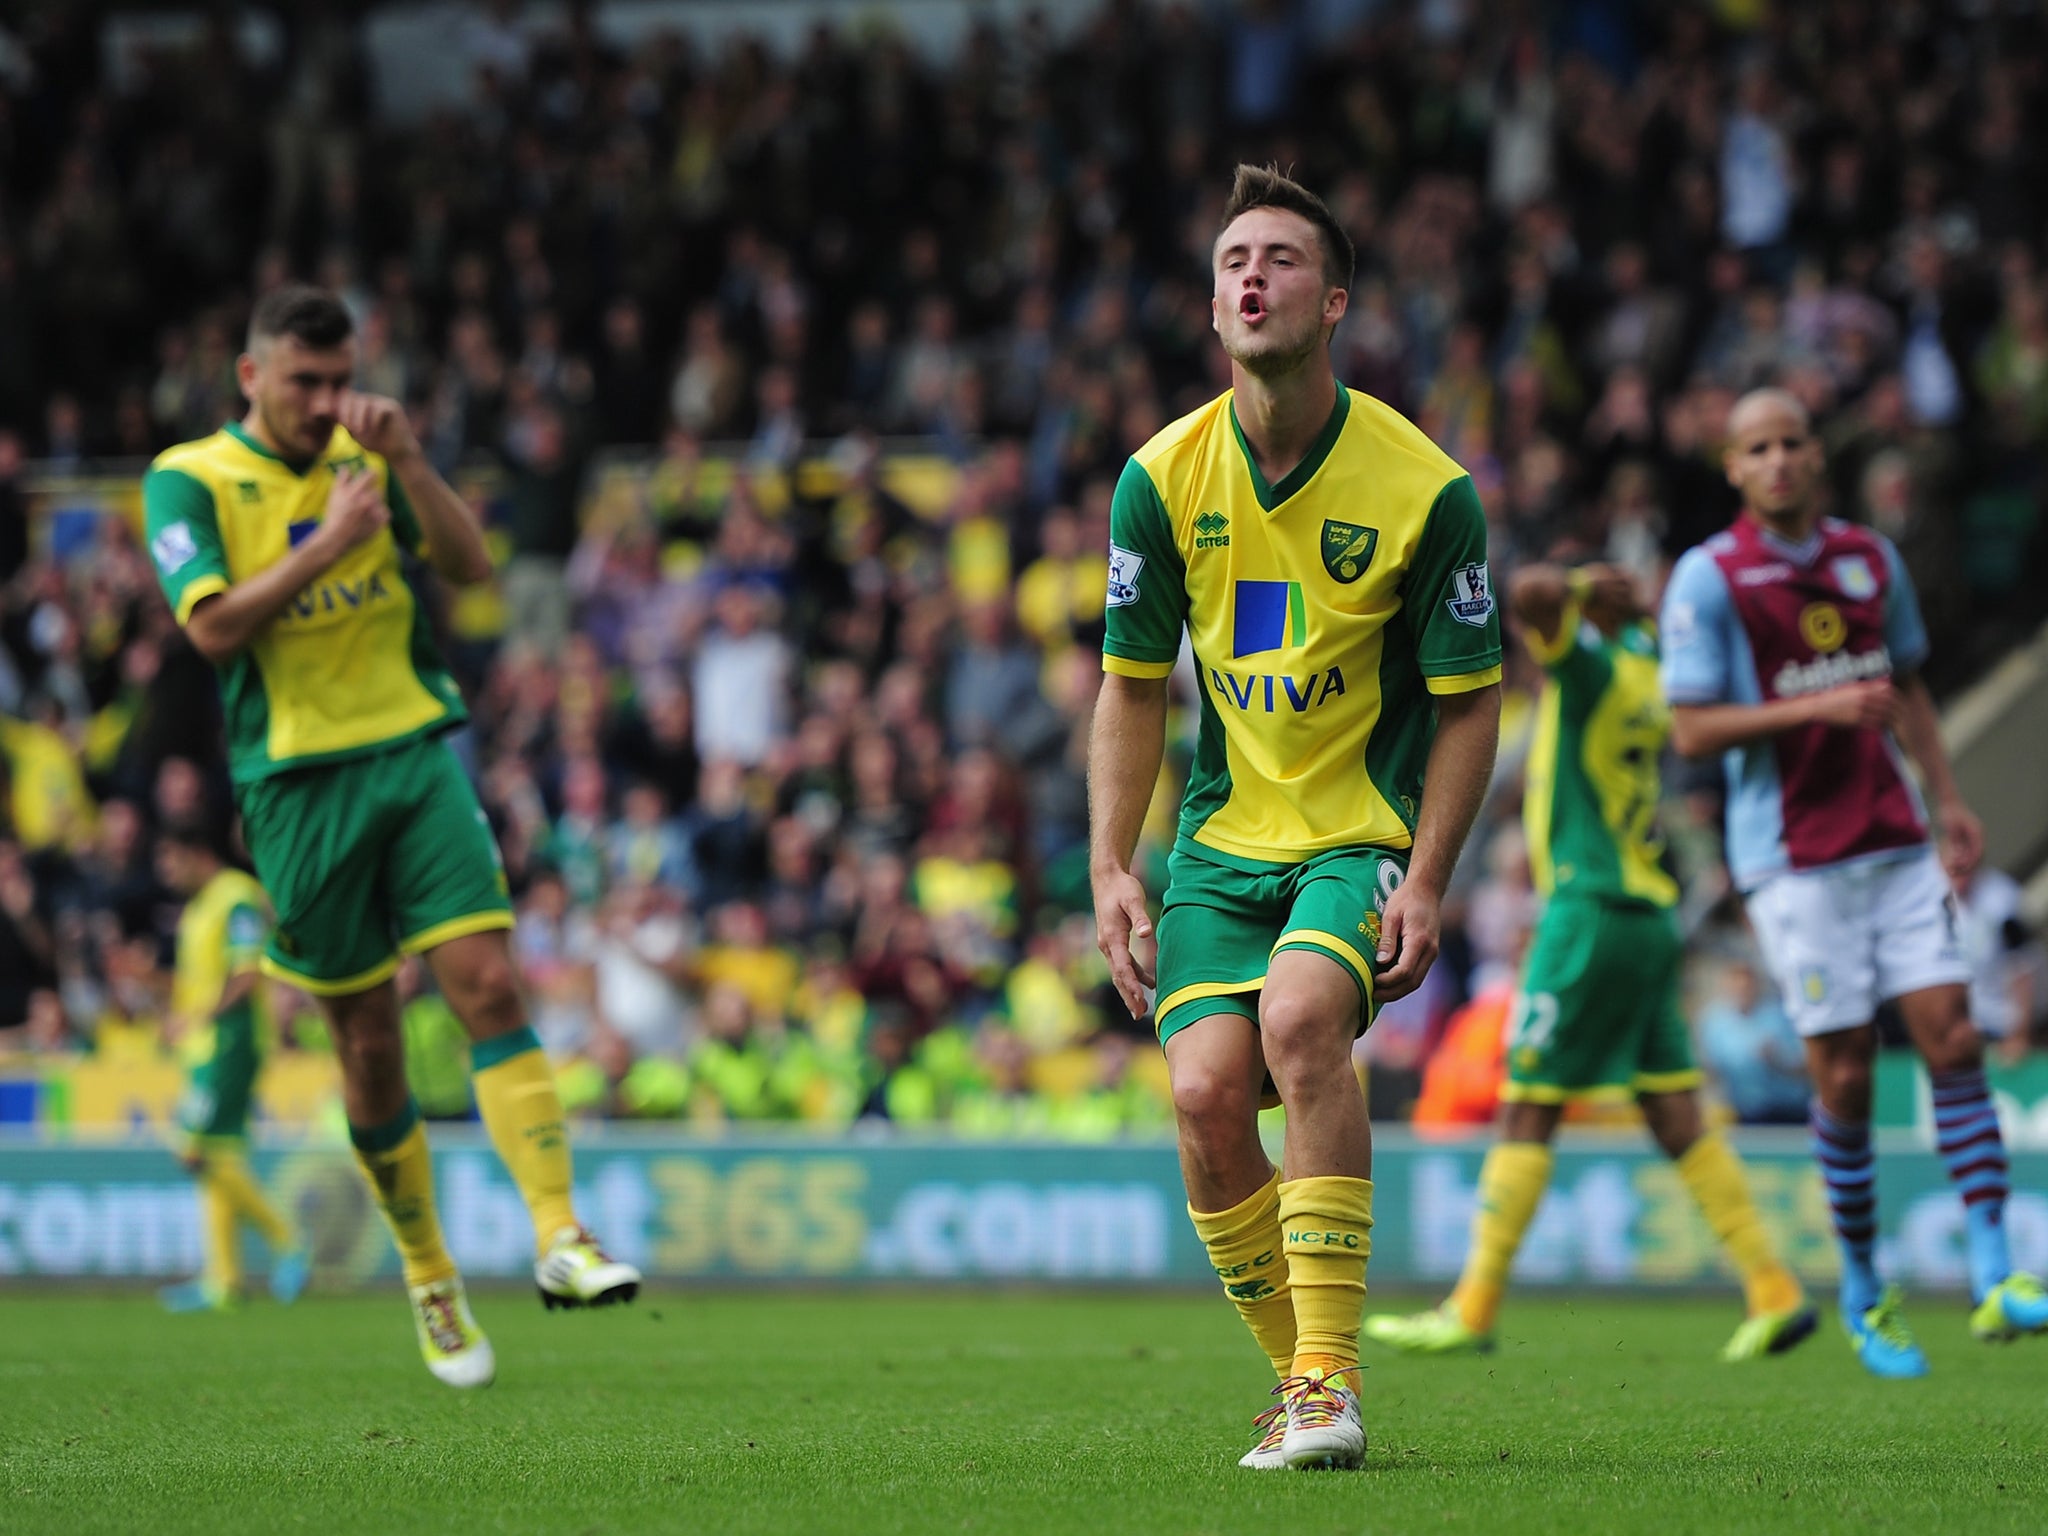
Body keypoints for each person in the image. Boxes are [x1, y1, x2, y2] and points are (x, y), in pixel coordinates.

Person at [142, 286, 638, 1389]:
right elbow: (212, 627)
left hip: (413, 751)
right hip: (295, 784)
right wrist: (331, 546)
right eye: (304, 382)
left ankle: (561, 1236)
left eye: (341, 378)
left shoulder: (369, 460)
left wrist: (409, 464)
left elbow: (469, 568)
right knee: (364, 1043)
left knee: (490, 988)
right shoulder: (190, 479)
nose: (329, 403)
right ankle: (431, 1280)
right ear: (251, 377)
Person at [1089, 166, 1502, 1472]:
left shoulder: (1426, 489)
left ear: (1334, 303)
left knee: (1302, 1019)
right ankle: (1306, 1385)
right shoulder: (1159, 481)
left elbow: (1472, 706)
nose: (1249, 278)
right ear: (1213, 309)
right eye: (1229, 263)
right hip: (1221, 846)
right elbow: (1131, 690)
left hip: (1358, 830)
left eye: (1277, 259)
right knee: (1209, 1098)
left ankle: (1326, 1379)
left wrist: (1429, 878)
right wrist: (1111, 864)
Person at [1658, 387, 2048, 1376]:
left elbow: (1907, 684)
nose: (1779, 458)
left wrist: (1948, 799)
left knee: (1952, 1036)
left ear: (1814, 457)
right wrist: (1814, 711)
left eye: (1792, 442)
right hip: (1791, 861)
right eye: (1758, 447)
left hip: (1894, 839)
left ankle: (1995, 1271)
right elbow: (1690, 728)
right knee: (1842, 1072)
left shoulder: (1868, 559)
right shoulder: (1710, 579)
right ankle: (1866, 1284)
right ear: (1733, 468)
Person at [1364, 560, 1813, 1361]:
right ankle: (1774, 1289)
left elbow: (1529, 591)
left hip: (1588, 909)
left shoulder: (1595, 663)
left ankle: (1472, 1306)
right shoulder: (1647, 666)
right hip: (1647, 913)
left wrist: (1576, 588)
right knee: (1675, 1112)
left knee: (1526, 1105)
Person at [153, 818, 310, 1314]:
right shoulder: (199, 908)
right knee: (217, 1156)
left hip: (231, 1041)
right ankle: (223, 1281)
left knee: (193, 1149)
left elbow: (244, 976)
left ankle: (289, 1241)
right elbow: (202, 981)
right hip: (206, 1045)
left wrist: (195, 1017)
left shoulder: (235, 896)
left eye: (172, 860)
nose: (167, 873)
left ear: (197, 851)